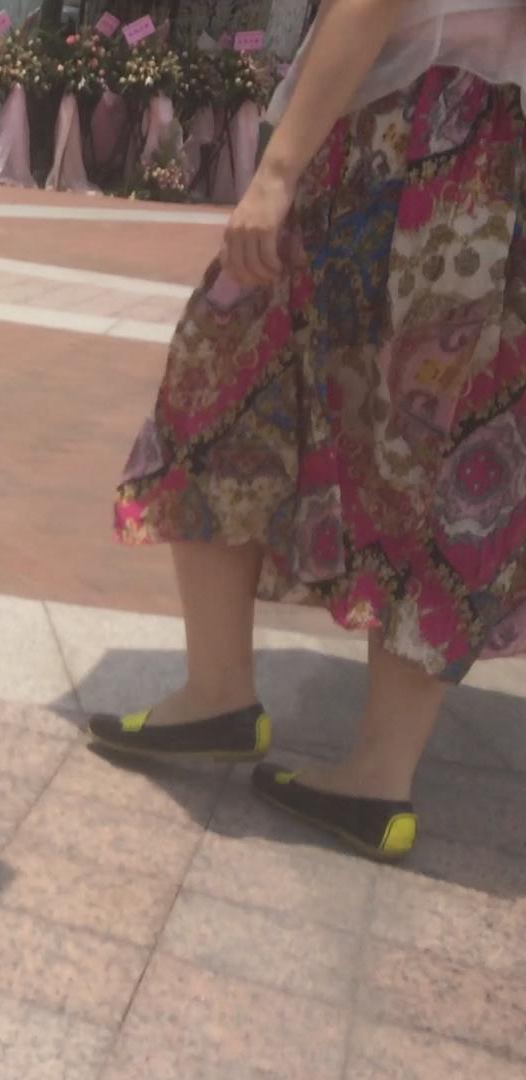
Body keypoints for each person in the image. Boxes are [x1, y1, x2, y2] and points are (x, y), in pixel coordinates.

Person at [89, 0, 526, 861]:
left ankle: (222, 691)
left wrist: (277, 170)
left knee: (226, 368)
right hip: (496, 158)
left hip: (407, 135)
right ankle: (374, 773)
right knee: (451, 450)